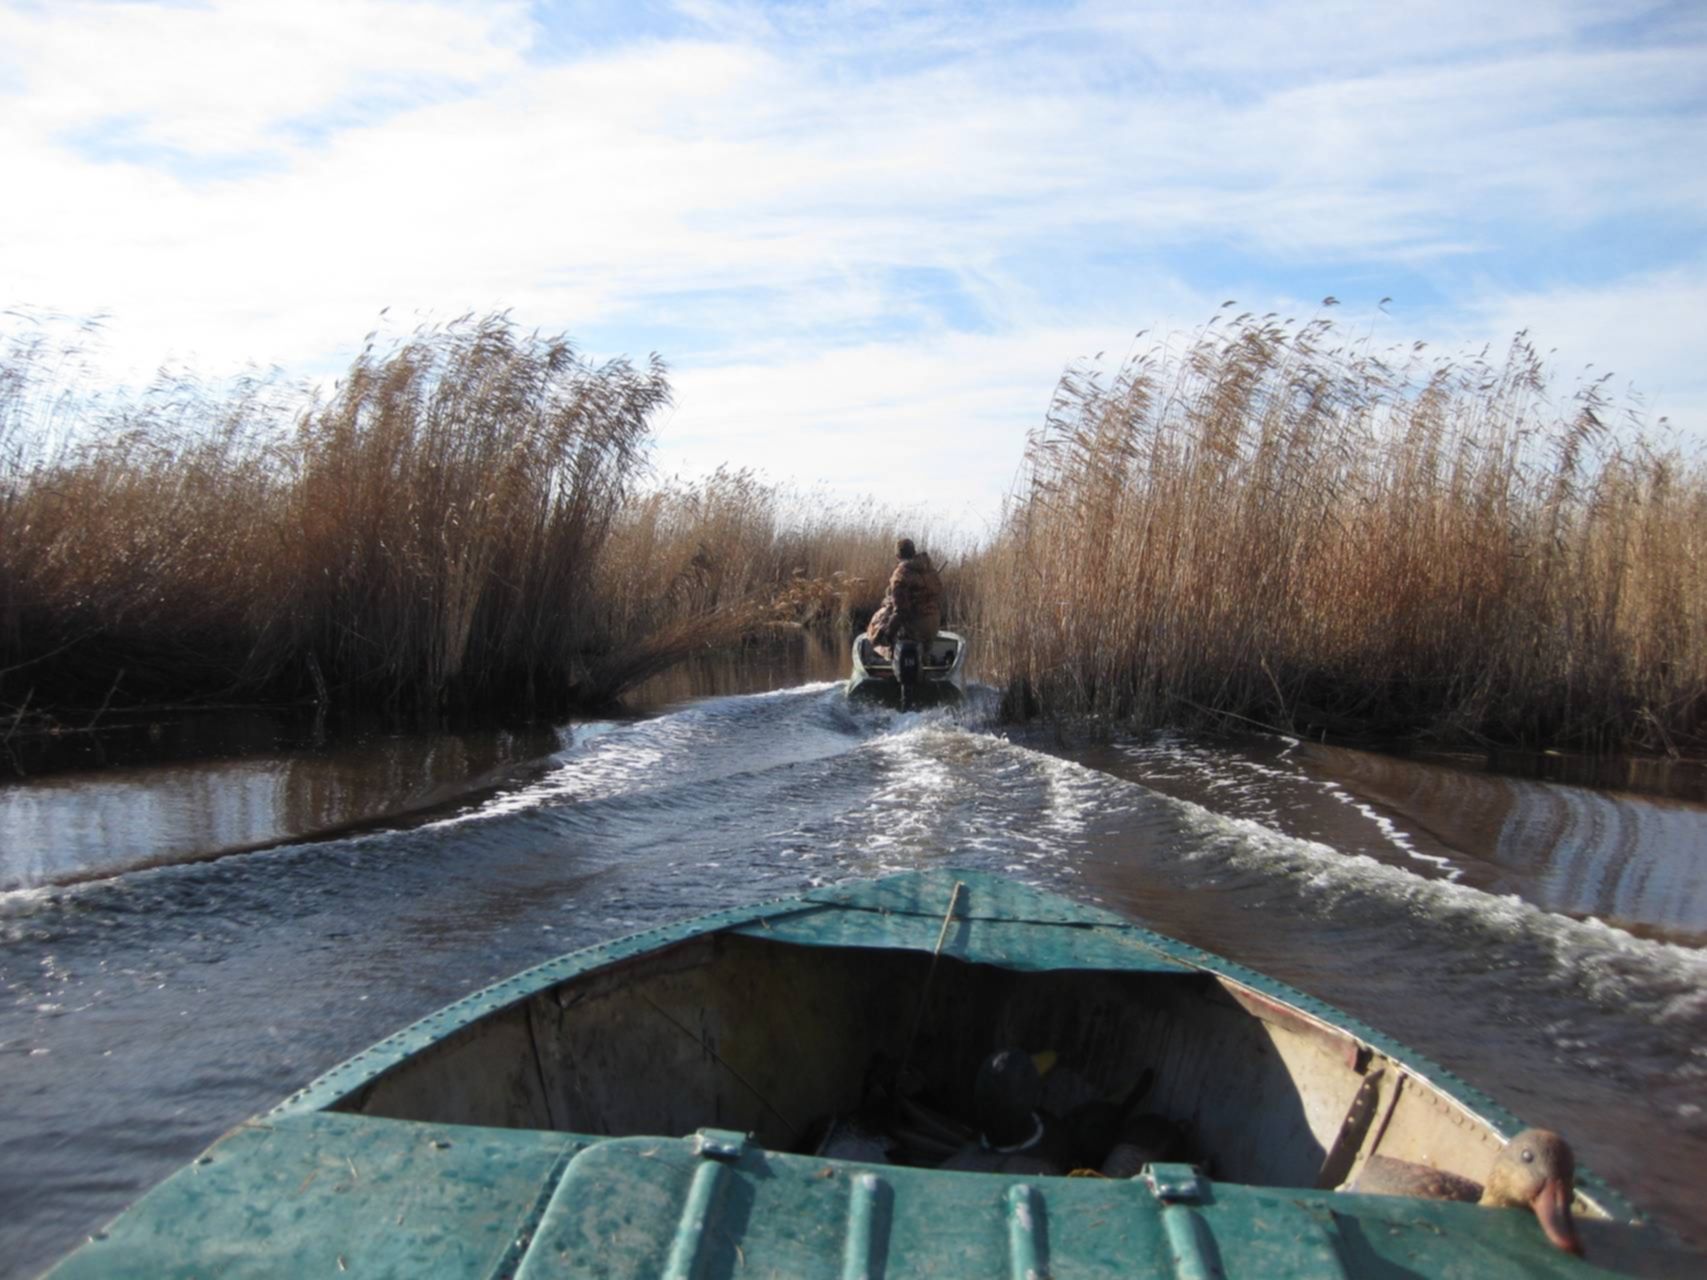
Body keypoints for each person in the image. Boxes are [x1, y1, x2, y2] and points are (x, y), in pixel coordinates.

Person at [865, 537, 943, 656]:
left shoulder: (901, 576)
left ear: (897, 556)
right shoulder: (929, 569)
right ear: (914, 552)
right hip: (933, 625)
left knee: (876, 630)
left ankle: (892, 656)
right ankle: (924, 655)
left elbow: (901, 612)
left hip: (916, 628)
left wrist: (886, 636)